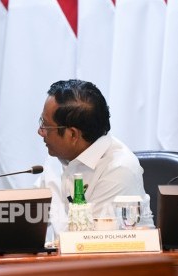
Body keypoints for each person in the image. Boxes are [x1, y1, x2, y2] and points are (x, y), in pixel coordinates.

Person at [37, 79, 154, 235]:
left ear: (72, 135)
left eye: (46, 126)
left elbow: (89, 244)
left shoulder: (119, 170)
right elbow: (31, 214)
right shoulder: (58, 155)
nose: (40, 132)